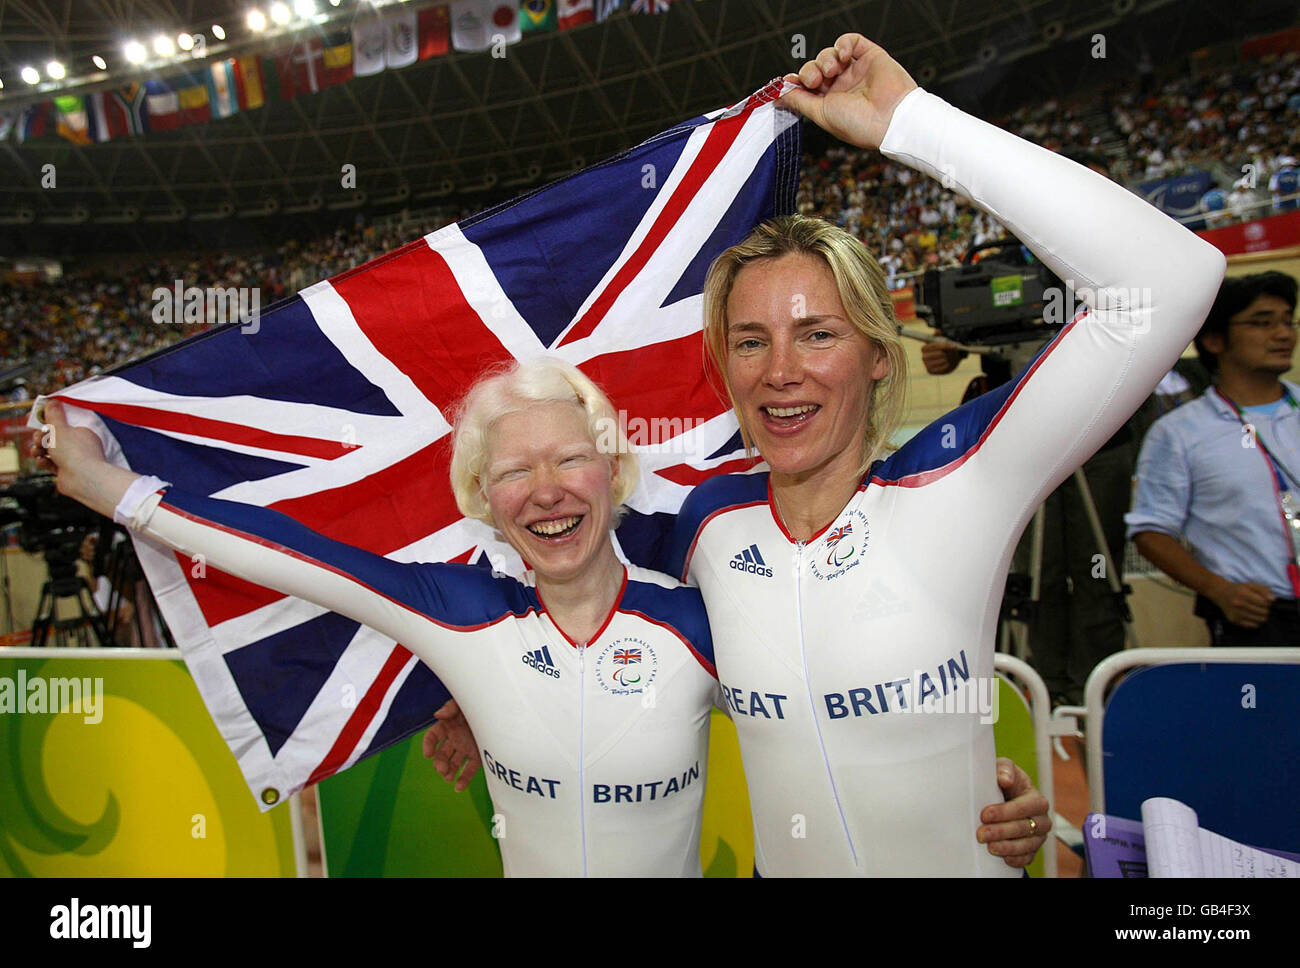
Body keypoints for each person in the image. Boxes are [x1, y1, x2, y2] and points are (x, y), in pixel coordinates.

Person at [660, 33, 1224, 876]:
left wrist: (914, 124)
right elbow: (585, 620)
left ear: (878, 355)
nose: (780, 372)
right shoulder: (703, 522)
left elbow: (1172, 281)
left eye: (817, 334)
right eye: (750, 341)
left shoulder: (962, 479)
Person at [32, 359, 720, 877]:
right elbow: (287, 553)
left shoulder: (698, 624)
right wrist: (104, 486)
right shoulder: (459, 616)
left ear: (614, 467)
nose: (546, 491)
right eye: (514, 471)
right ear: (482, 494)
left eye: (571, 459)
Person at [1127, 271, 1300, 647]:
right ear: (1214, 339)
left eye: (1288, 320)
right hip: (1258, 619)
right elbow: (1150, 532)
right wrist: (1219, 591)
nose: (1284, 333)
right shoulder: (1179, 433)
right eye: (1262, 322)